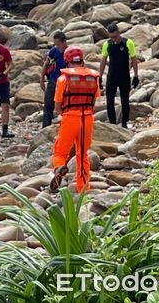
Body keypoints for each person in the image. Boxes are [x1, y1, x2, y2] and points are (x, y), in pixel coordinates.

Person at [49, 46, 100, 193]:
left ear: (66, 61)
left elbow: (58, 106)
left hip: (70, 117)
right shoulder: (92, 78)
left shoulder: (63, 79)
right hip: (88, 119)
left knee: (60, 152)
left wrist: (64, 113)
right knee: (82, 154)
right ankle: (83, 187)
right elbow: (94, 102)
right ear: (82, 60)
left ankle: (59, 168)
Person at [99, 22, 139, 129]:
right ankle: (112, 123)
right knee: (109, 100)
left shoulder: (128, 43)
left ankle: (124, 123)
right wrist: (99, 76)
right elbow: (103, 61)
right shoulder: (107, 44)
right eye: (111, 37)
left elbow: (134, 60)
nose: (114, 39)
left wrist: (136, 75)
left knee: (125, 100)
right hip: (112, 76)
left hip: (124, 76)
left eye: (115, 37)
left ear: (118, 32)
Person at [40, 31, 68, 128]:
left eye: (58, 44)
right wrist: (42, 78)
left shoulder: (69, 52)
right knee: (48, 103)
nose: (57, 46)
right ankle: (46, 126)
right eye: (55, 44)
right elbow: (46, 63)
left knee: (64, 105)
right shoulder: (54, 50)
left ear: (64, 42)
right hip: (53, 80)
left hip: (65, 83)